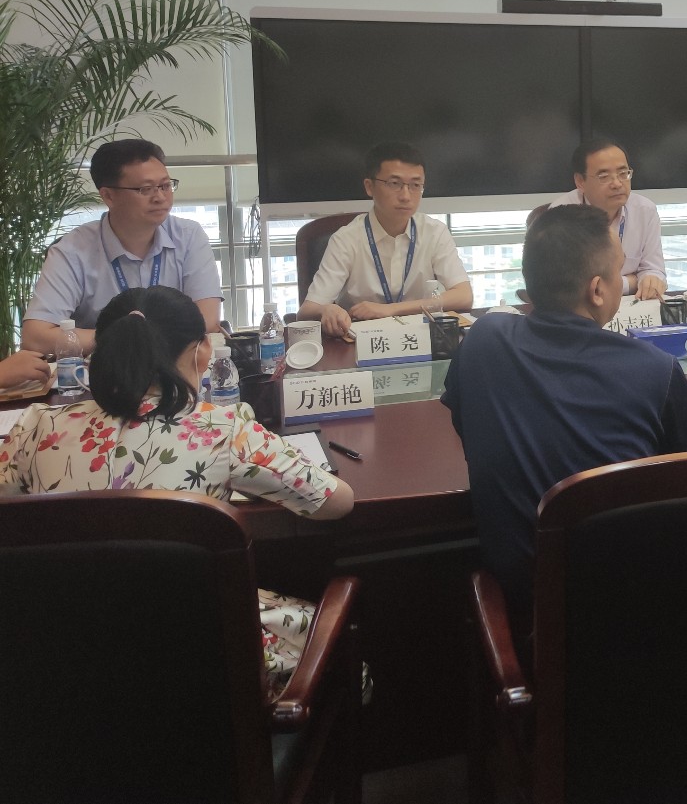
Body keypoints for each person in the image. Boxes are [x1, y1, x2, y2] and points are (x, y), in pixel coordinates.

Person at [0, 285, 355, 694]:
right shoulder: (222, 429)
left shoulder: (38, 425)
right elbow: (336, 501)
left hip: (61, 666)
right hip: (203, 666)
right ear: (201, 352)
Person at [442, 205, 687, 622]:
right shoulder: (653, 369)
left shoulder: (482, 342)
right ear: (598, 290)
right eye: (619, 271)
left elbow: (469, 426)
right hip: (642, 608)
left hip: (525, 608)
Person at [22, 138, 223, 355]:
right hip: (103, 370)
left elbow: (206, 320)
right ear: (108, 196)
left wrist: (125, 336)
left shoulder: (189, 236)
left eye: (165, 186)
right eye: (145, 189)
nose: (160, 197)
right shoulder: (72, 251)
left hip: (174, 367)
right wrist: (130, 337)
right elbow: (36, 337)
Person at [298, 141, 472, 338]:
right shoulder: (346, 239)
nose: (406, 196)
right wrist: (326, 310)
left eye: (415, 185)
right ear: (369, 187)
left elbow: (464, 295)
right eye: (394, 184)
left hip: (419, 339)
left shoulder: (434, 232)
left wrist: (391, 309)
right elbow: (306, 312)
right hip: (362, 343)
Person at [542, 138, 667, 300]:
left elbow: (655, 270)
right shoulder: (562, 216)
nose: (617, 183)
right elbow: (570, 286)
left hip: (633, 305)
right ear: (580, 181)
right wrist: (631, 282)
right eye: (604, 176)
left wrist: (651, 280)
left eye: (623, 173)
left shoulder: (645, 211)